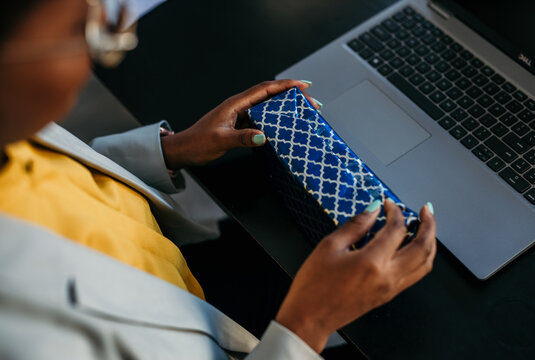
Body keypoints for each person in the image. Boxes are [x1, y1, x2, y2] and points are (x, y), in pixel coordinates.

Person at [0, 0, 437, 359]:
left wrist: (172, 150)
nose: (100, 54)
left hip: (182, 270)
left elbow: (66, 187)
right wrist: (308, 326)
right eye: (86, 29)